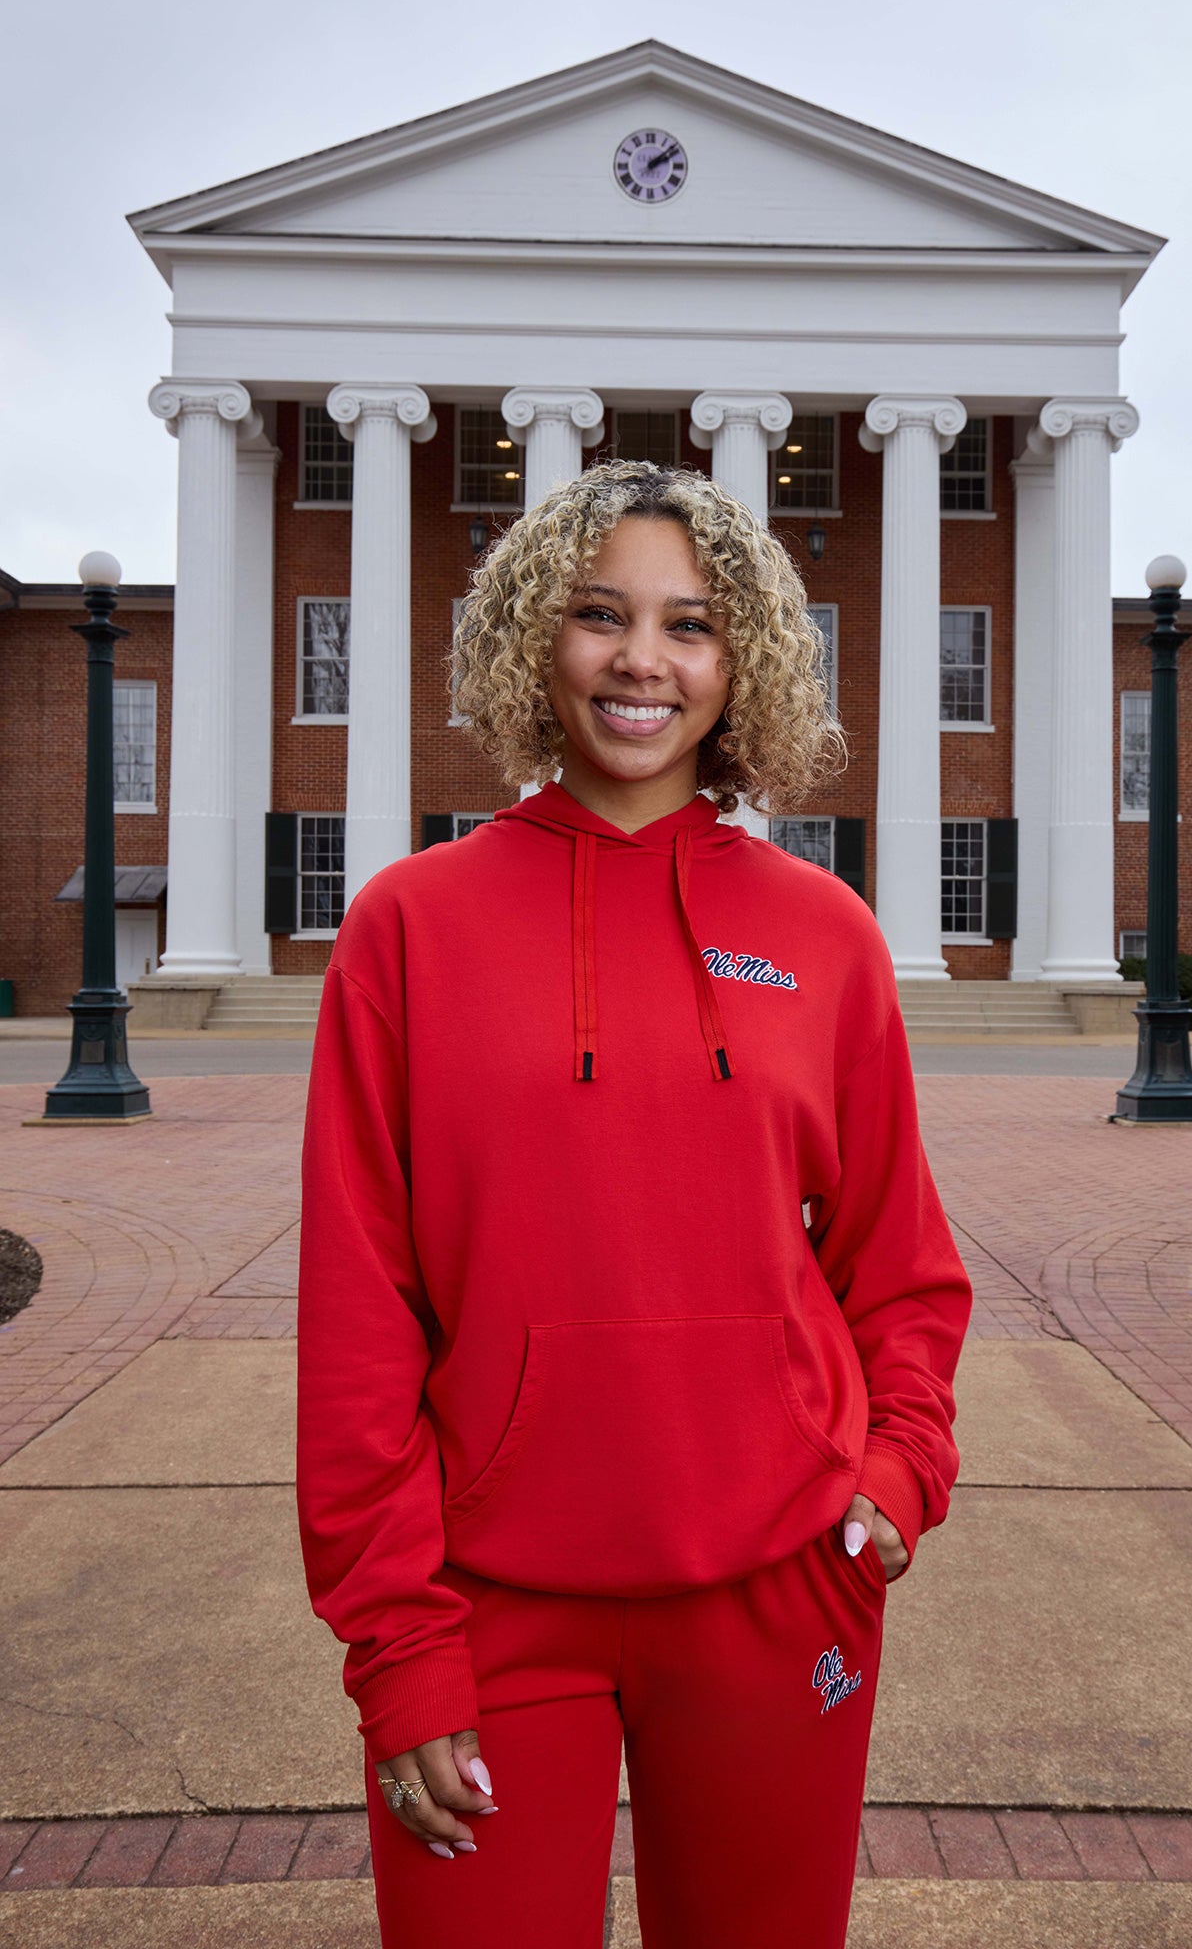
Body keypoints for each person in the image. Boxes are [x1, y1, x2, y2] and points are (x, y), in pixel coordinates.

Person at [296, 459, 972, 1949]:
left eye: (690, 625)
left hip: (779, 1589)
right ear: (537, 638)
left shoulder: (823, 934)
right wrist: (396, 1641)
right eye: (601, 615)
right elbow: (357, 1308)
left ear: (742, 665)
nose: (642, 662)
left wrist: (896, 1474)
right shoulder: (409, 927)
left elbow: (900, 1268)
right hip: (486, 1605)